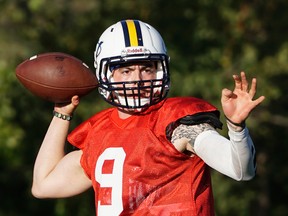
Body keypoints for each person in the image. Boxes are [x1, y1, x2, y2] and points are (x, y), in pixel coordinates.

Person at [31, 19, 265, 216]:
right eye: (126, 70)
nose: (137, 79)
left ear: (161, 70)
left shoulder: (178, 124)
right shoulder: (99, 132)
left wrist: (236, 127)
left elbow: (241, 170)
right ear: (106, 74)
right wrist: (61, 113)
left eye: (147, 68)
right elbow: (43, 185)